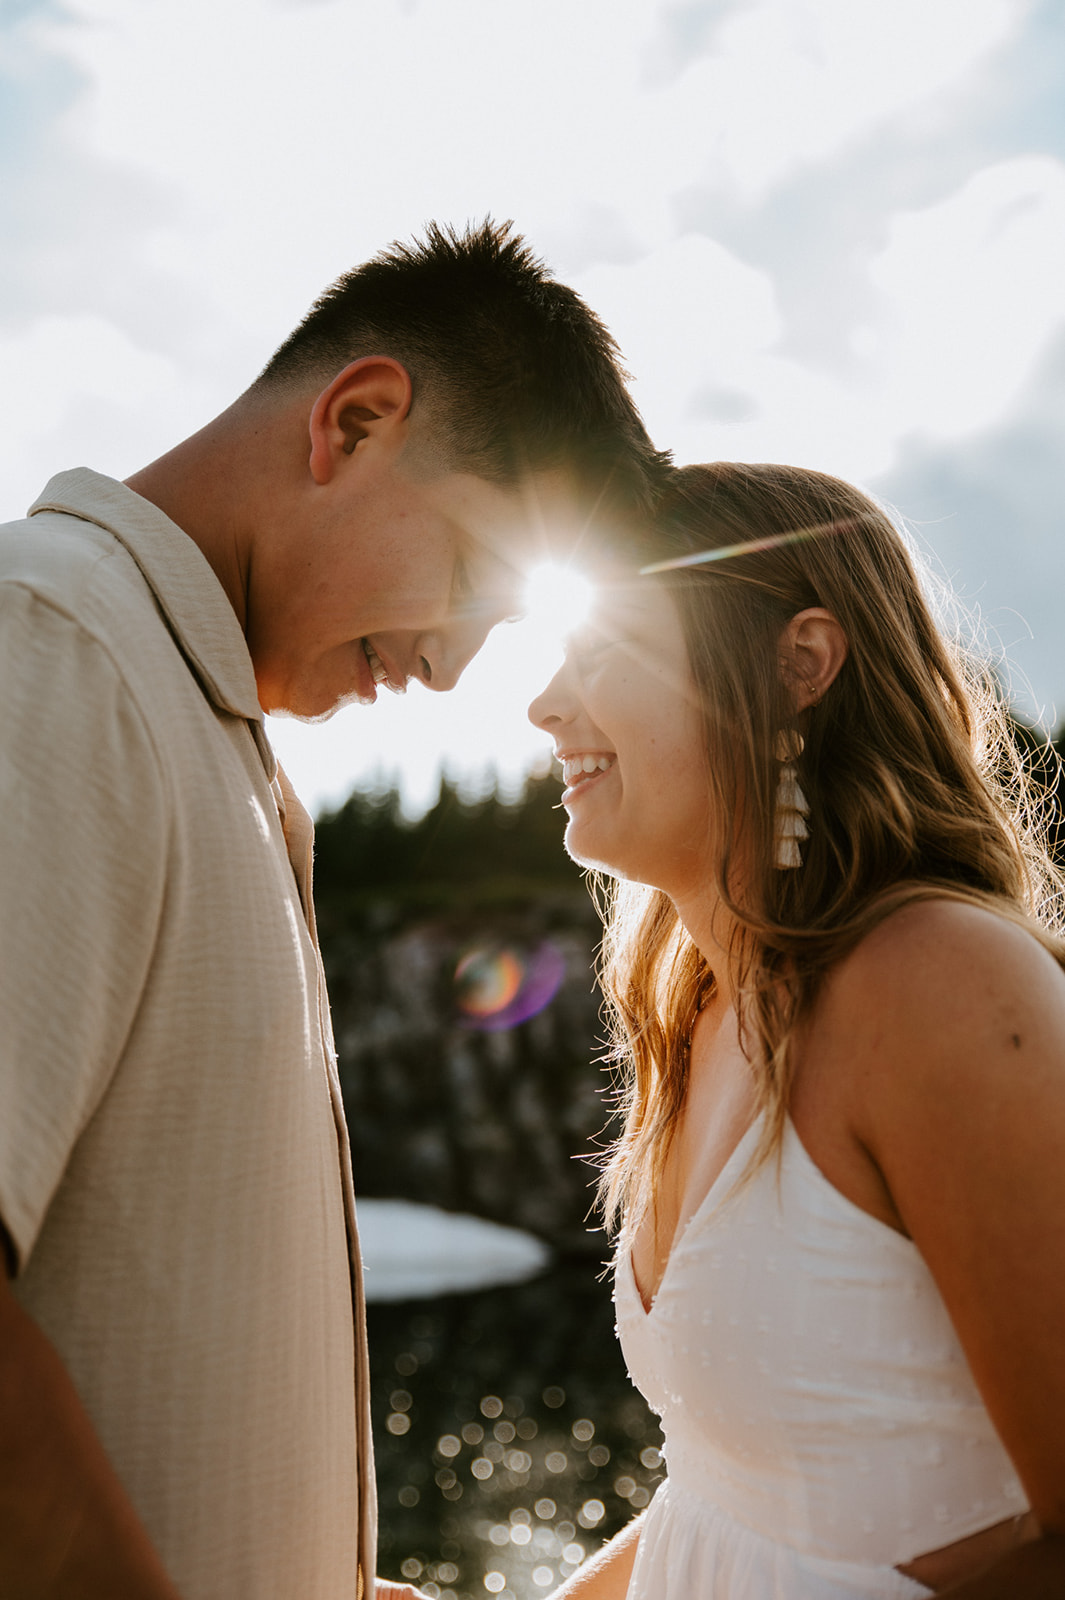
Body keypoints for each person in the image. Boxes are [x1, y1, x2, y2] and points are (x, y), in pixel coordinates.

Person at [0, 220, 665, 1600]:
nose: (447, 669)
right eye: (474, 589)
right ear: (354, 421)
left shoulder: (213, 743)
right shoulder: (52, 647)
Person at [529, 460, 1065, 1599]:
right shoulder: (709, 1009)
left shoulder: (941, 986)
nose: (547, 704)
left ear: (798, 665)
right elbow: (725, 1497)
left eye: (605, 651)